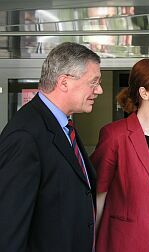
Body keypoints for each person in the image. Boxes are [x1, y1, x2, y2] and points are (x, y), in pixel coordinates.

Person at [0, 42, 103, 252]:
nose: (99, 90)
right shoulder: (25, 136)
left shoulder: (62, 126)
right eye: (93, 82)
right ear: (64, 82)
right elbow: (10, 228)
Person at [91, 59, 149, 252]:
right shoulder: (115, 135)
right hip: (128, 242)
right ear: (144, 93)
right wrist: (92, 242)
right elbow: (99, 194)